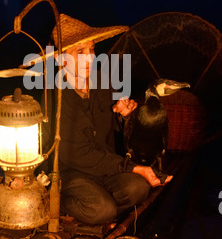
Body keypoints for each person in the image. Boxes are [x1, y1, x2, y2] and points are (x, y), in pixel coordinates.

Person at [42, 14, 172, 225]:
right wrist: (132, 167)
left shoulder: (101, 79)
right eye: (80, 52)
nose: (90, 58)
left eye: (92, 50)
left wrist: (126, 116)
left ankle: (102, 210)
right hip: (72, 173)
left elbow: (118, 130)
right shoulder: (54, 95)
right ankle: (64, 203)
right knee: (102, 208)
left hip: (106, 168)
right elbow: (77, 154)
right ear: (60, 59)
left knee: (139, 188)